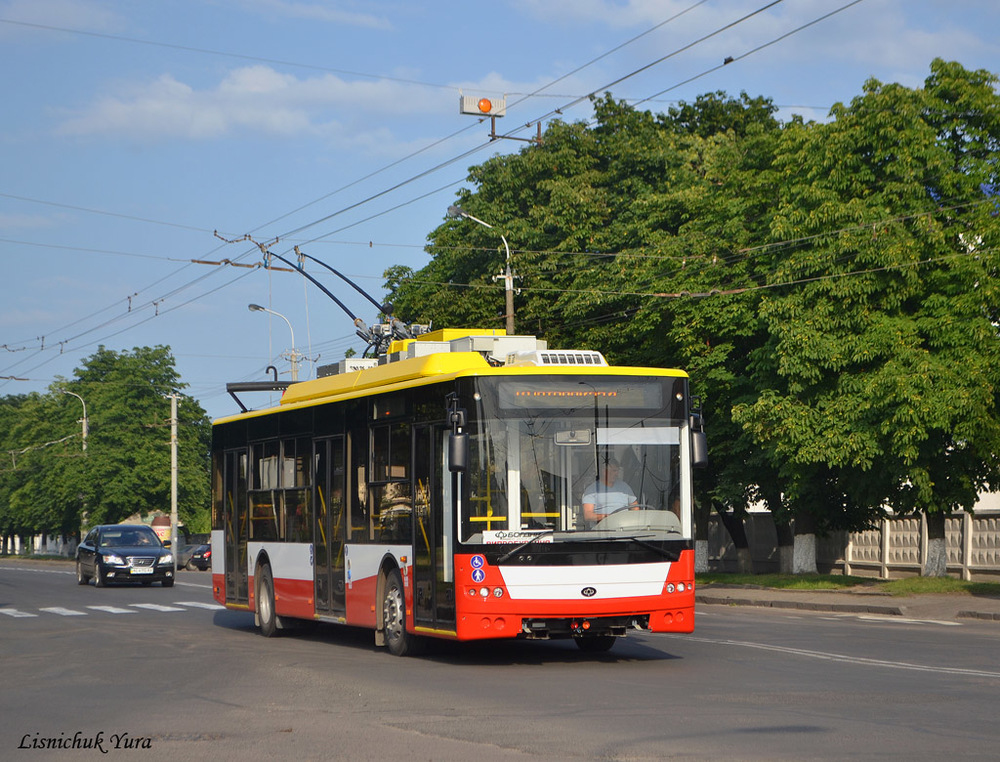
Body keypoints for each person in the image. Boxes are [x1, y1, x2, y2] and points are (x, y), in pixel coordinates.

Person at [582, 458, 637, 524]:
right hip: (603, 529)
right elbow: (588, 516)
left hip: (625, 527)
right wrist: (607, 517)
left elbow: (635, 508)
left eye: (617, 471)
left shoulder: (625, 487)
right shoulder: (591, 490)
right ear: (604, 471)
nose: (617, 474)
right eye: (614, 471)